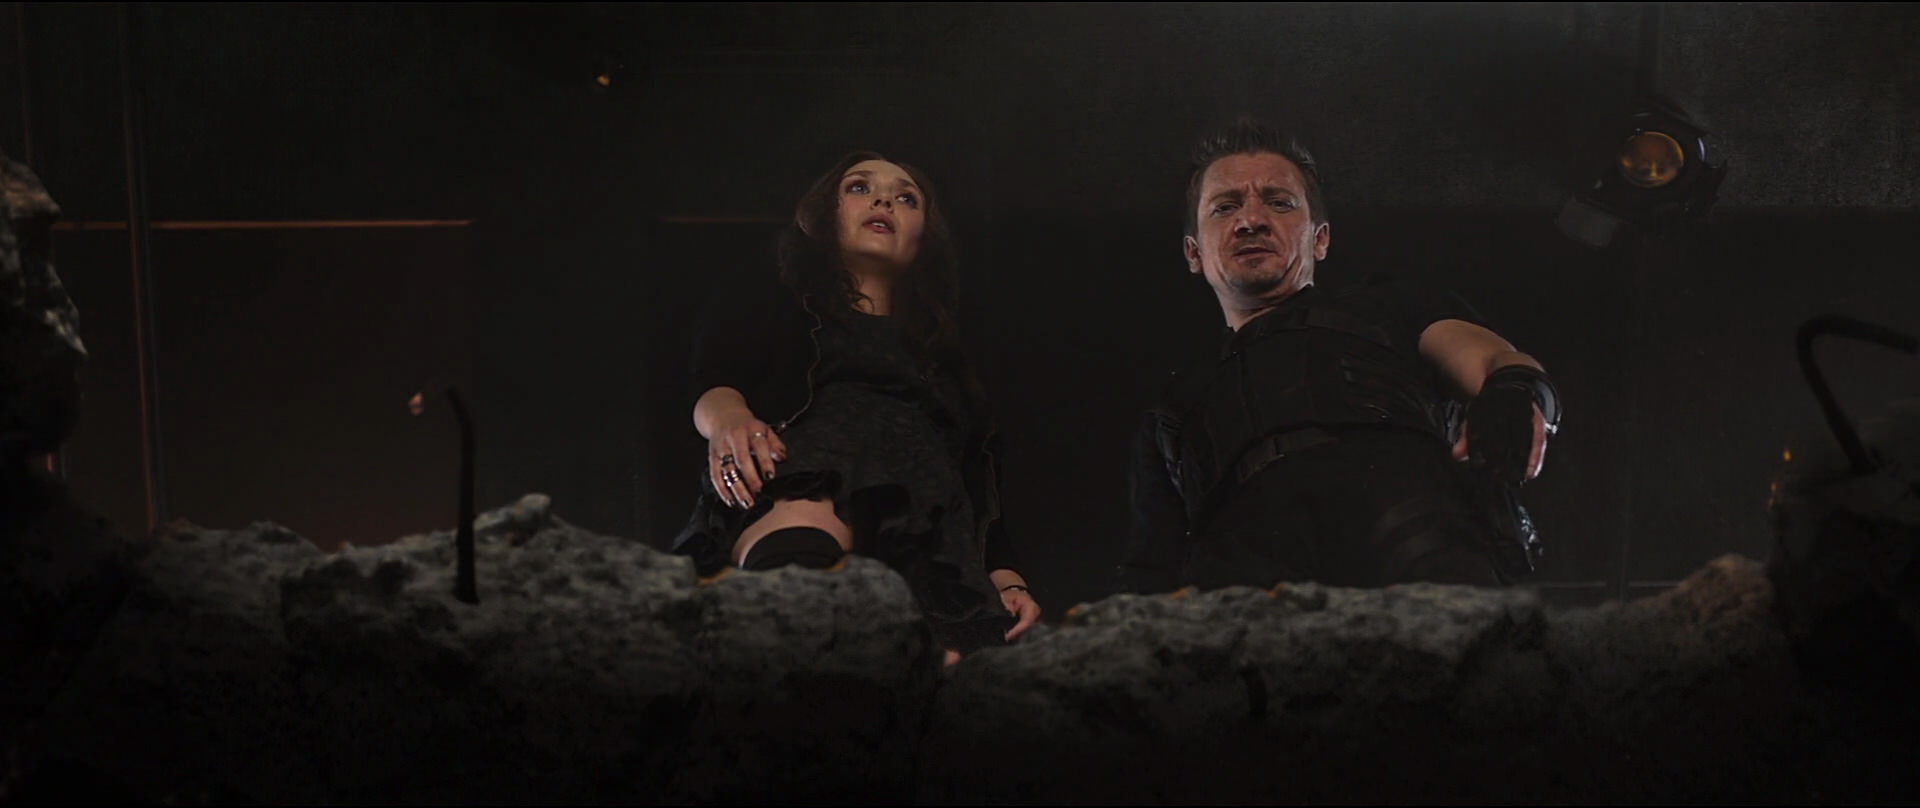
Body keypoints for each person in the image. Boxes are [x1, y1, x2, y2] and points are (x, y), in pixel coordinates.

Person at [1118, 119, 1563, 594]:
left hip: (1409, 529)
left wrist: (1514, 391)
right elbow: (1152, 569)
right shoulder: (1173, 409)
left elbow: (1493, 360)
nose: (1251, 220)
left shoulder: (1388, 307)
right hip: (1249, 579)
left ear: (1320, 238)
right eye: (1225, 207)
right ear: (1193, 253)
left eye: (1279, 202)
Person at [670, 150, 1041, 661]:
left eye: (906, 198)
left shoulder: (950, 356)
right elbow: (715, 379)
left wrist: (1006, 576)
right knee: (799, 621)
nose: (883, 200)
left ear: (924, 235)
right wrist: (729, 423)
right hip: (807, 483)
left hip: (927, 527)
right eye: (860, 187)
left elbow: (979, 473)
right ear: (825, 214)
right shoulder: (778, 298)